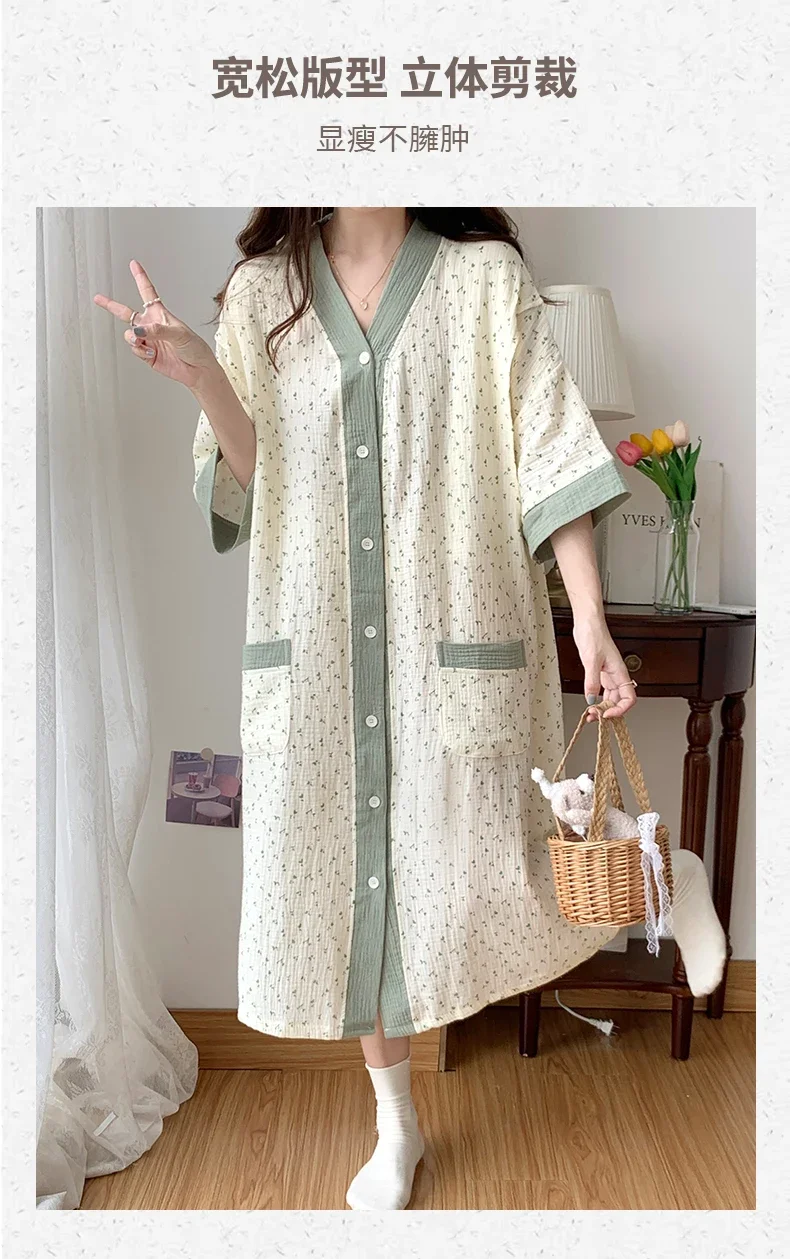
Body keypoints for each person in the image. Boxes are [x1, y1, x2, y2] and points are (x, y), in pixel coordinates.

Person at [94, 208, 722, 1212]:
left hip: (454, 638)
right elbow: (257, 476)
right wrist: (201, 373)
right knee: (356, 895)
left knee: (507, 868)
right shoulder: (264, 291)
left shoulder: (484, 280)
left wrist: (592, 623)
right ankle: (396, 1125)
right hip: (320, 653)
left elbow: (552, 457)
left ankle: (659, 877)